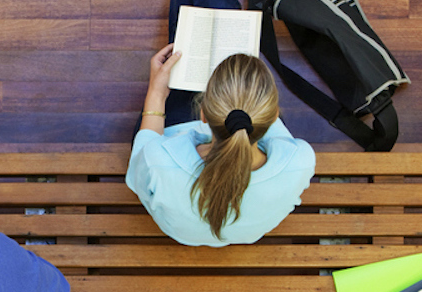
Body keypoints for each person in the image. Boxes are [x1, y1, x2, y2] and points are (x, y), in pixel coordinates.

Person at [125, 0, 315, 247]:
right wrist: (246, 90)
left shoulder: (157, 160)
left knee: (192, 33)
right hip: (237, 229)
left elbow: (144, 150)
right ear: (271, 114)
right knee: (220, 7)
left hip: (171, 134)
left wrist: (157, 92)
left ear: (202, 114)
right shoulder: (298, 161)